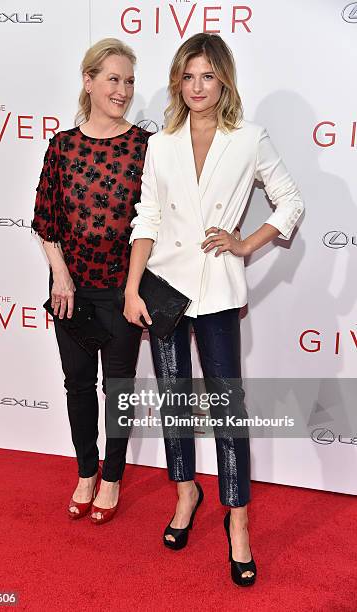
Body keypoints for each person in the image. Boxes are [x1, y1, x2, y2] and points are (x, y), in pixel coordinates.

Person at [124, 32, 304, 585]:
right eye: (188, 75)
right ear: (179, 81)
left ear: (222, 80)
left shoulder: (248, 138)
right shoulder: (162, 143)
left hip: (220, 292)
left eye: (208, 75)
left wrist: (246, 244)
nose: (197, 86)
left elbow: (290, 200)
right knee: (175, 400)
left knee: (228, 411)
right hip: (165, 290)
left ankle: (239, 521)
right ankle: (185, 495)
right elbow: (147, 218)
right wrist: (132, 288)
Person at [32, 38, 151, 524]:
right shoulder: (62, 146)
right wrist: (59, 274)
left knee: (118, 389)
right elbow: (45, 217)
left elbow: (153, 221)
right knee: (77, 385)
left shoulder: (145, 147)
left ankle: (113, 478)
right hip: (72, 293)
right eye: (112, 79)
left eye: (128, 81)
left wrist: (134, 288)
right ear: (89, 81)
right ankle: (85, 472)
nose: (121, 90)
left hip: (123, 292)